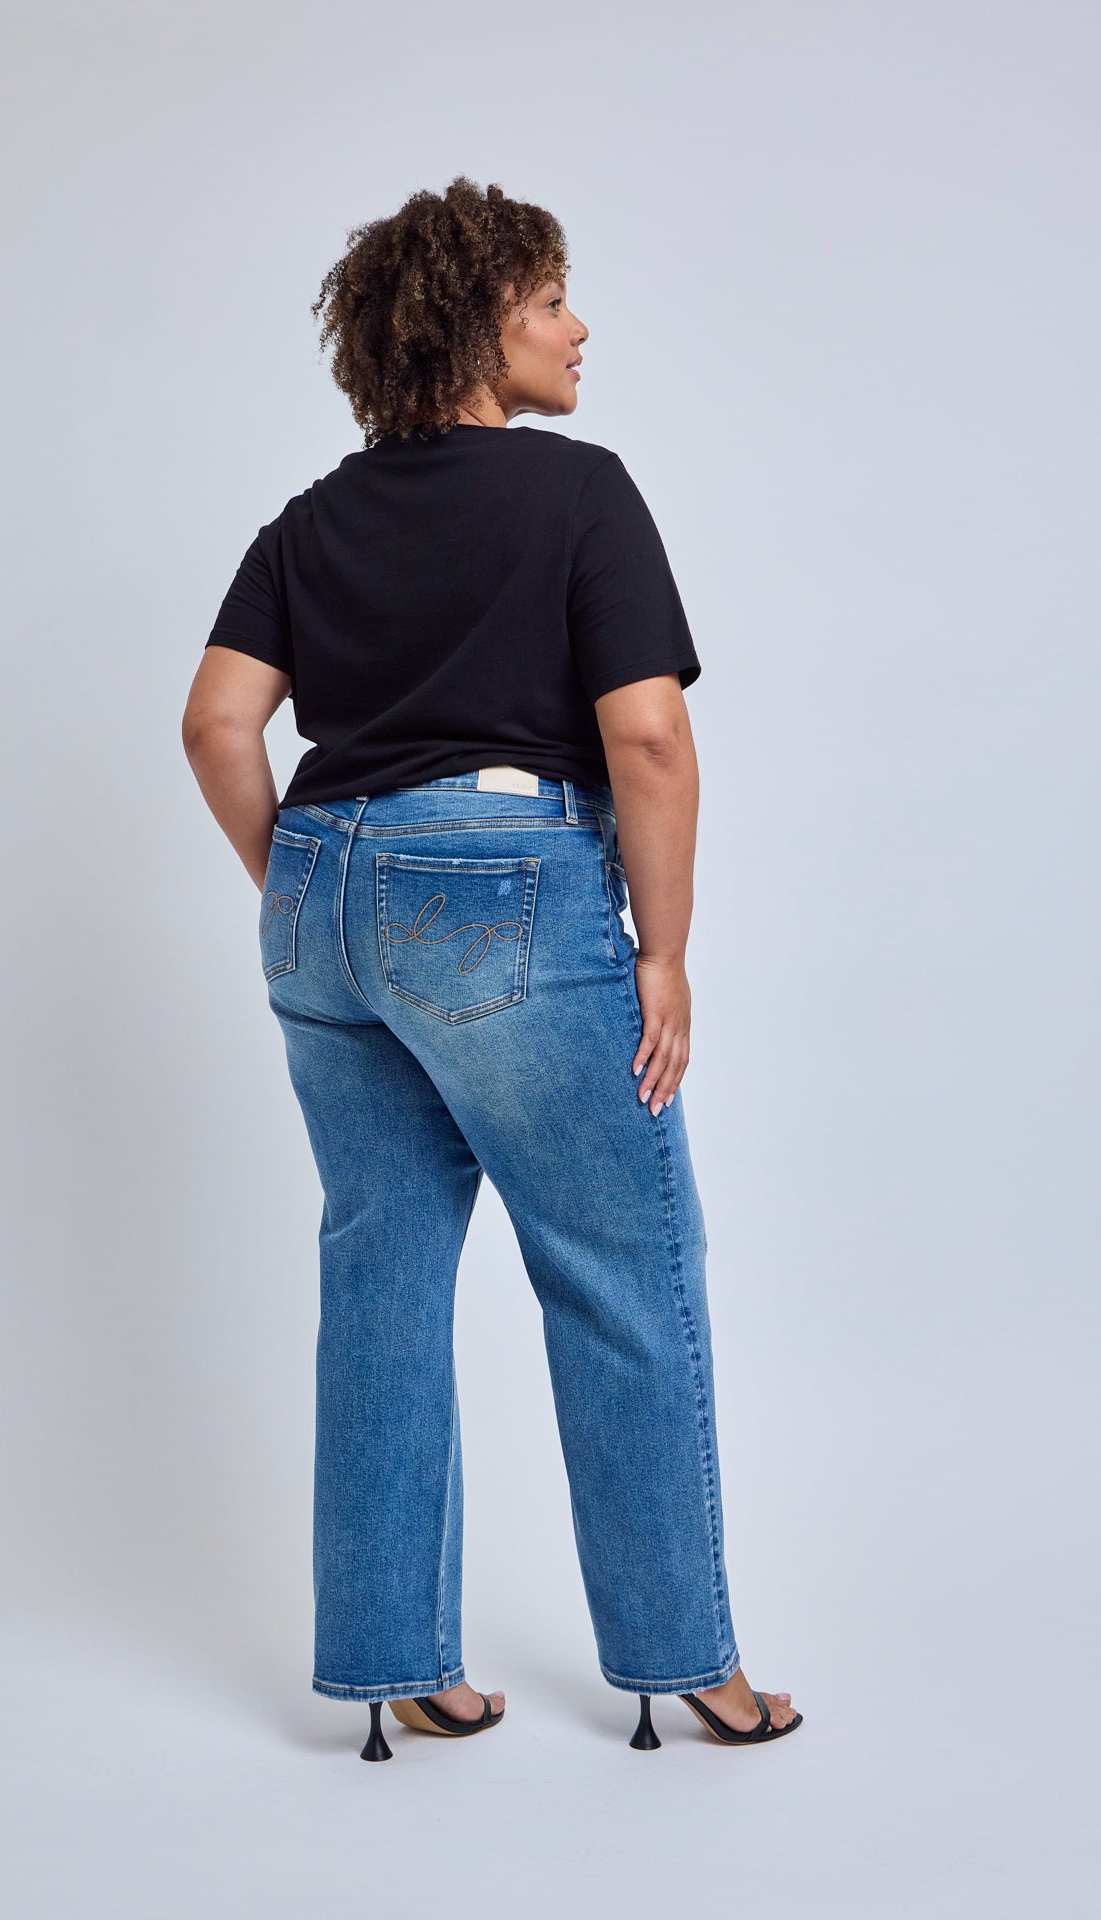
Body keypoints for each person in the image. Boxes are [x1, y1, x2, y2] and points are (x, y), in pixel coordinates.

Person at [182, 175, 802, 1761]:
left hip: (321, 905)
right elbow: (646, 734)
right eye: (547, 305)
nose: (576, 328)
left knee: (378, 1281)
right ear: (475, 329)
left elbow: (215, 725)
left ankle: (398, 1673)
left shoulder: (306, 522)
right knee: (619, 1277)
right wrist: (661, 950)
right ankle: (691, 1667)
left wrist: (309, 895)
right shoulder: (576, 491)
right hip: (509, 893)